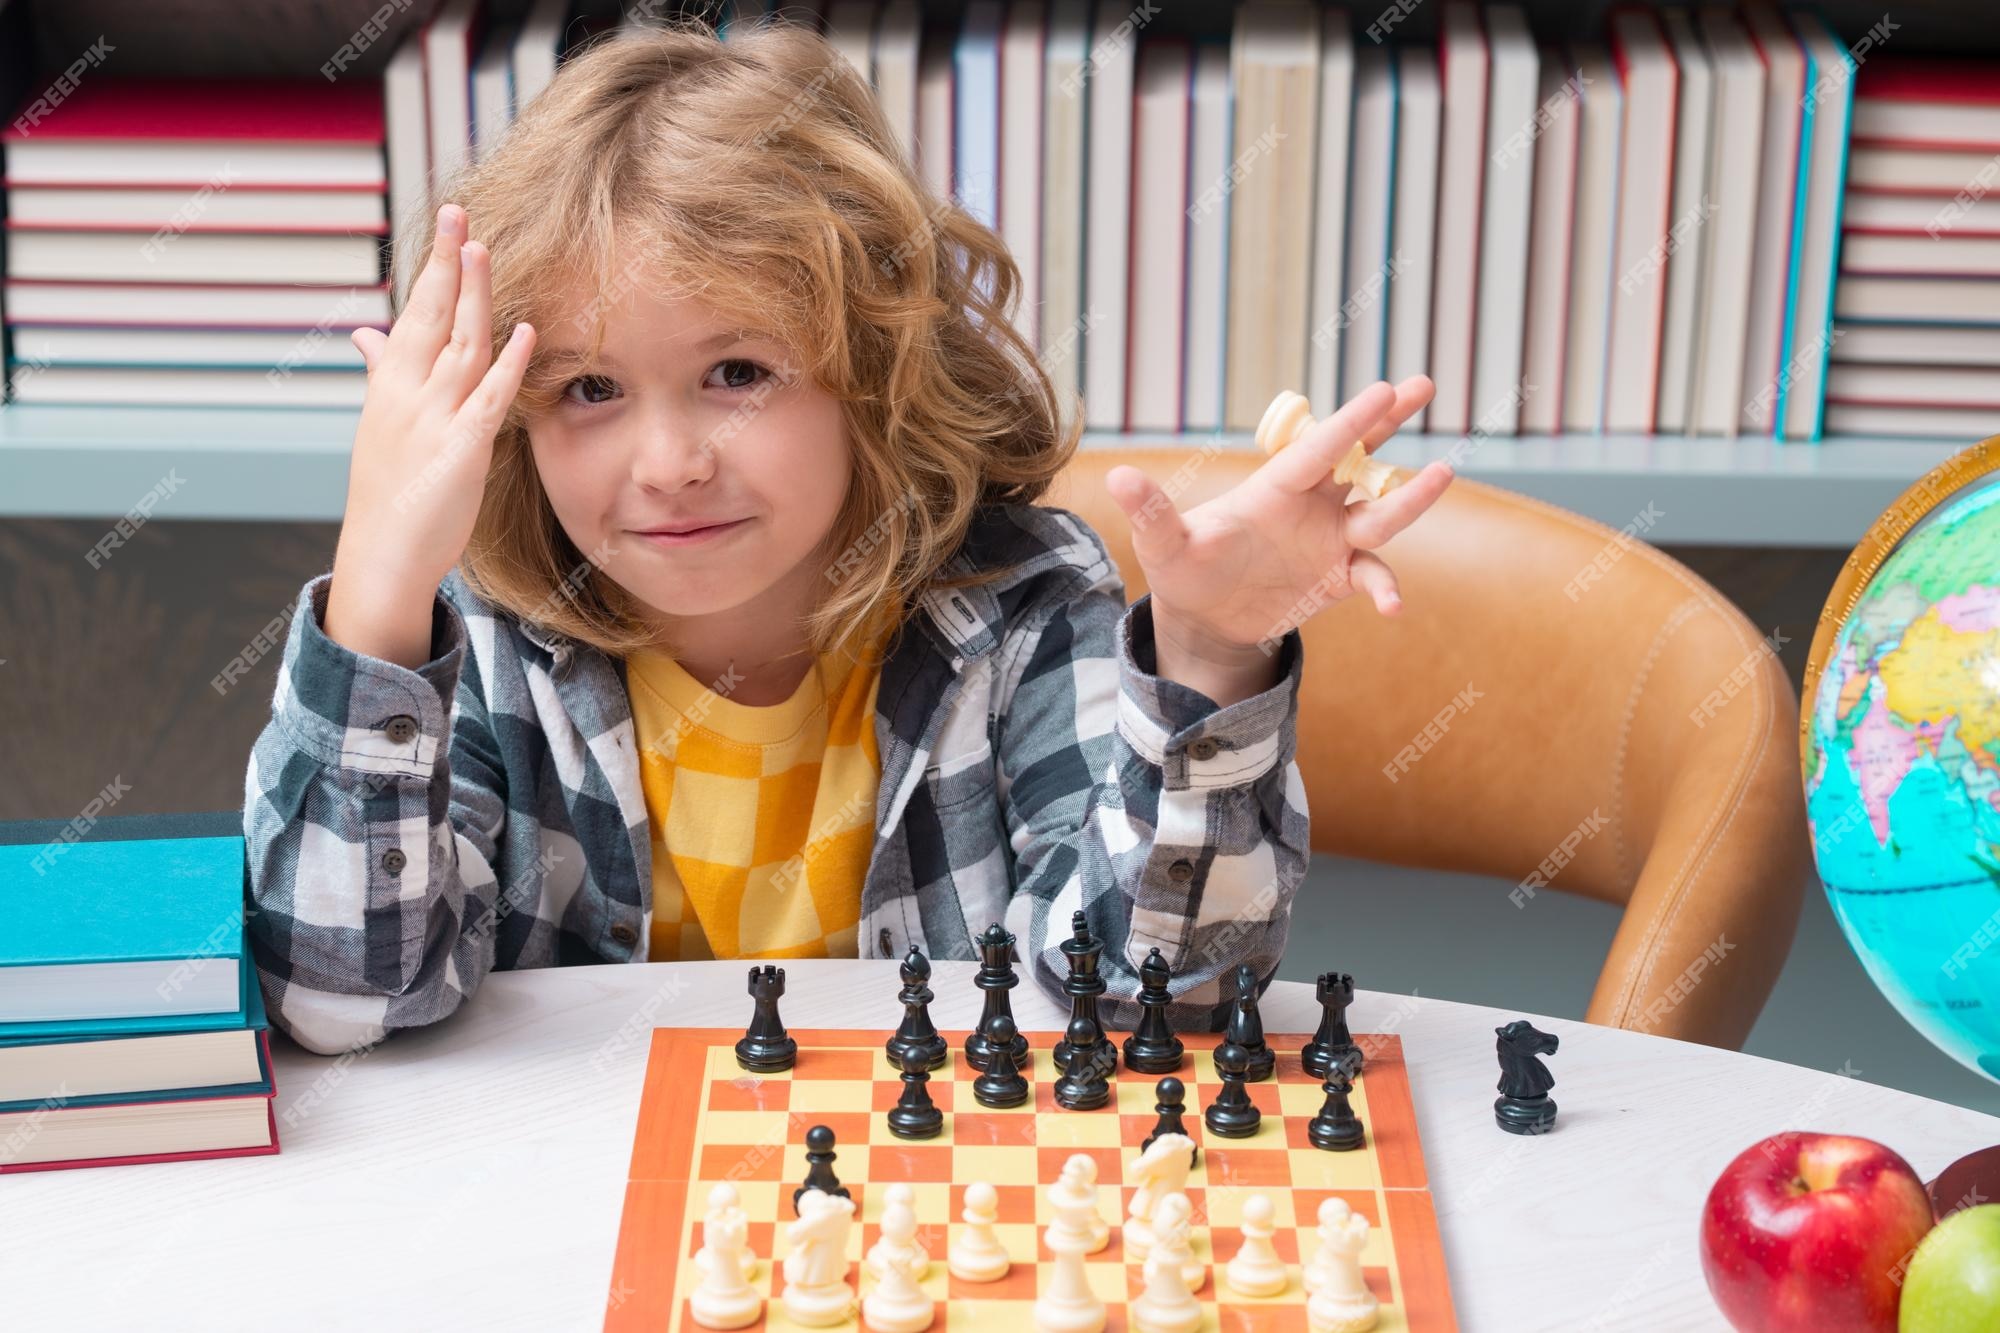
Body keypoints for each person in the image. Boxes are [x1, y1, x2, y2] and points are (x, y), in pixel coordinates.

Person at [241, 20, 1454, 1056]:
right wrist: (381, 589)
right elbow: (340, 1000)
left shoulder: (1023, 615)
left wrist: (1205, 656)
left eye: (735, 371)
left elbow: (1157, 996)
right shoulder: (494, 643)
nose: (668, 464)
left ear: (872, 372)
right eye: (589, 391)